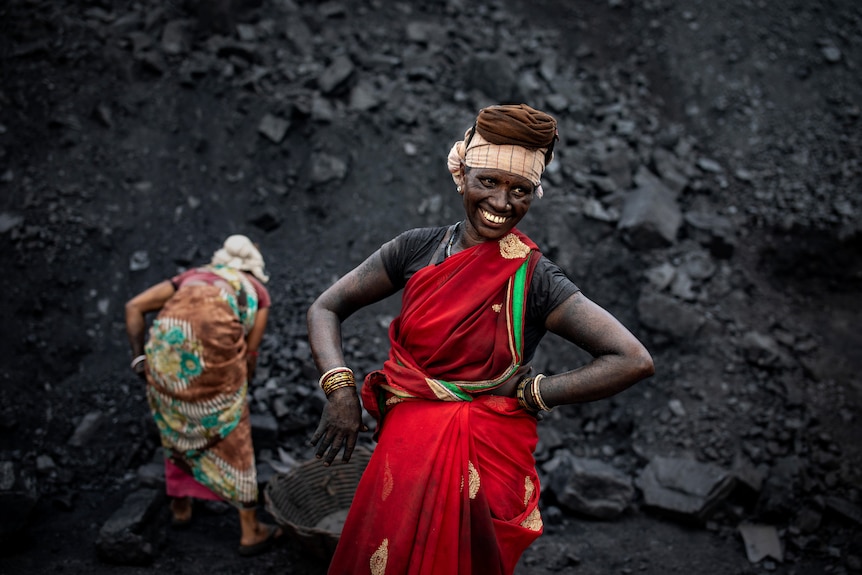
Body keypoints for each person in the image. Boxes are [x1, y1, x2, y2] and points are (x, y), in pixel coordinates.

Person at [307, 104, 655, 574]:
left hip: (481, 456)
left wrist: (535, 394)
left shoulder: (534, 279)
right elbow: (326, 307)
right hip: (404, 451)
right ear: (462, 174)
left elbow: (632, 358)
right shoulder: (418, 248)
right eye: (488, 182)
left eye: (521, 190)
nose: (501, 203)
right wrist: (340, 388)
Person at [124, 234, 282, 557]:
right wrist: (236, 394)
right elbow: (249, 355)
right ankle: (250, 530)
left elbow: (134, 307)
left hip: (165, 354)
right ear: (253, 268)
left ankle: (181, 507)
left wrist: (140, 358)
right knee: (233, 429)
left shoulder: (191, 277)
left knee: (174, 420)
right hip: (216, 352)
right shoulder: (258, 293)